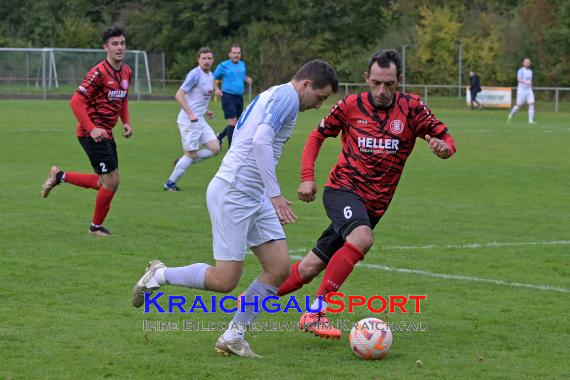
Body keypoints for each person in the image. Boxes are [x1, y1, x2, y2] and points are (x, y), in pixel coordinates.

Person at [132, 60, 338, 357]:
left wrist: (266, 194)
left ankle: (233, 336)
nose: (319, 105)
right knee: (224, 280)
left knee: (279, 268)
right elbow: (261, 140)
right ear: (306, 85)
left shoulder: (279, 95)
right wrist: (275, 194)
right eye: (320, 97)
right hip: (234, 191)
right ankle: (160, 275)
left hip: (252, 194)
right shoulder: (287, 98)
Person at [276, 49, 456, 339]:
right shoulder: (350, 105)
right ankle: (315, 313)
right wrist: (307, 178)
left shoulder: (413, 108)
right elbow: (316, 136)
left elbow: (446, 139)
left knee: (311, 266)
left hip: (373, 207)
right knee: (362, 238)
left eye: (389, 84)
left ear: (400, 80)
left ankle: (249, 301)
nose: (382, 90)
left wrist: (445, 149)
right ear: (366, 79)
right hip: (342, 190)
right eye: (376, 83)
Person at [40, 25, 132, 237]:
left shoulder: (126, 71)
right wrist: (91, 129)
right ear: (105, 48)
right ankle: (95, 228)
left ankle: (59, 176)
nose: (120, 47)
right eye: (115, 44)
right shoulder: (98, 73)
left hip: (106, 133)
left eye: (122, 43)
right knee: (111, 182)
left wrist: (126, 122)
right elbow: (76, 101)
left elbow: (123, 98)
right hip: (90, 134)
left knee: (105, 181)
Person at [163, 47, 220, 192]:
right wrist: (191, 114)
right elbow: (179, 95)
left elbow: (197, 98)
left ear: (213, 60)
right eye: (204, 58)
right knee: (191, 153)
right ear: (198, 59)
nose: (207, 61)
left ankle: (183, 161)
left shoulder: (211, 75)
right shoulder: (195, 75)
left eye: (209, 58)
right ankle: (170, 184)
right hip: (189, 121)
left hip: (200, 119)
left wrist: (206, 111)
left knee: (215, 148)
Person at [213, 44, 252, 148]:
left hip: (239, 97)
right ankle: (231, 149)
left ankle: (219, 137)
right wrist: (216, 89)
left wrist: (246, 79)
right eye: (234, 53)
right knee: (233, 122)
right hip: (227, 96)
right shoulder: (223, 65)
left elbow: (241, 76)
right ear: (229, 54)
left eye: (238, 53)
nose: (236, 55)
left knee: (237, 124)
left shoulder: (242, 64)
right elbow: (212, 77)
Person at [508, 58, 536, 124]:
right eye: (526, 62)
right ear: (523, 63)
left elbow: (530, 80)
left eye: (528, 62)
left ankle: (530, 120)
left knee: (531, 104)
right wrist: (526, 82)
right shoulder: (521, 70)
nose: (527, 63)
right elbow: (519, 79)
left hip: (529, 90)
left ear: (530, 63)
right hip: (522, 90)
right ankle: (511, 114)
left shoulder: (530, 71)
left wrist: (531, 86)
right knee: (518, 105)